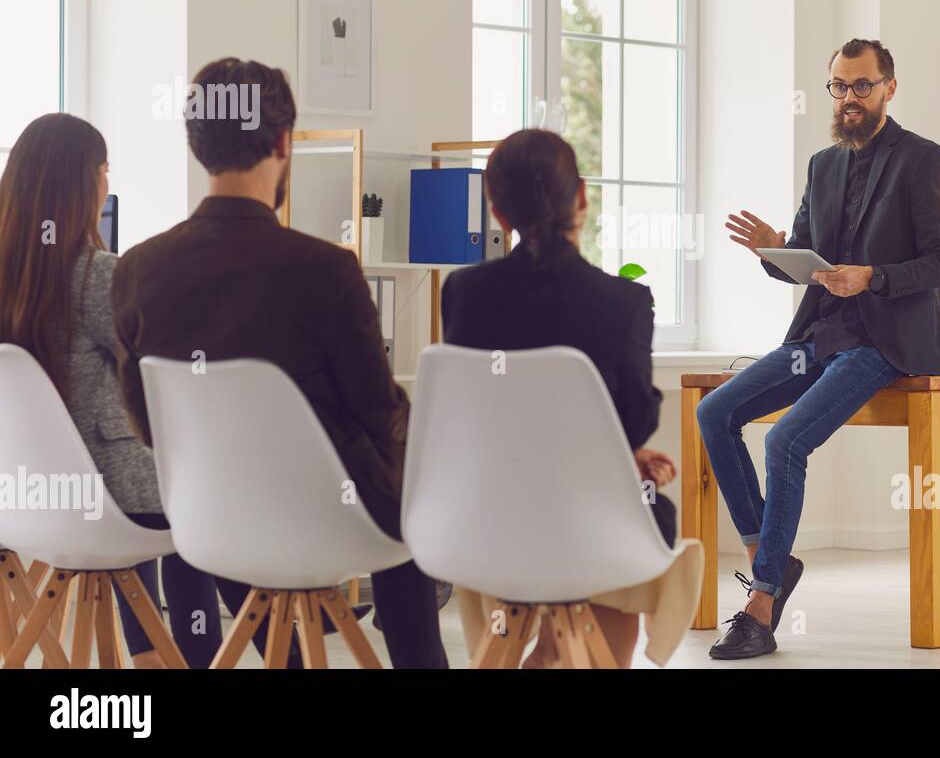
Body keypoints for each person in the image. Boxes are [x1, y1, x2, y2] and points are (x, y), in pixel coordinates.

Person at [111, 57, 448, 669]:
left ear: (196, 143)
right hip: (326, 519)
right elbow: (378, 414)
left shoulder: (137, 269)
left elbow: (146, 424)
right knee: (413, 518)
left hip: (208, 519)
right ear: (284, 143)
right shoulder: (326, 270)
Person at [702, 38, 940, 659]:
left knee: (785, 438)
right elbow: (806, 261)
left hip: (884, 341)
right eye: (839, 87)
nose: (848, 98)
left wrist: (872, 275)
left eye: (861, 86)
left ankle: (761, 606)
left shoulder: (925, 160)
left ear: (889, 88)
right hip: (817, 335)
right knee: (714, 412)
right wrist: (773, 249)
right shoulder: (822, 163)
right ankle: (769, 556)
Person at [441, 128, 678, 668]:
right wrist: (623, 461)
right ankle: (574, 656)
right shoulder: (625, 302)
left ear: (498, 213)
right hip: (587, 520)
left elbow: (478, 421)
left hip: (484, 519)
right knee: (643, 510)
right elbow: (633, 421)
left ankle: (549, 649)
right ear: (582, 197)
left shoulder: (464, 293)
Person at [0, 113, 226, 668]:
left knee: (147, 485)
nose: (108, 182)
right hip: (107, 505)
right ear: (83, 185)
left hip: (20, 504)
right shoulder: (96, 275)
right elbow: (168, 367)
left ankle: (151, 656)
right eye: (104, 169)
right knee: (191, 503)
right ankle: (188, 659)